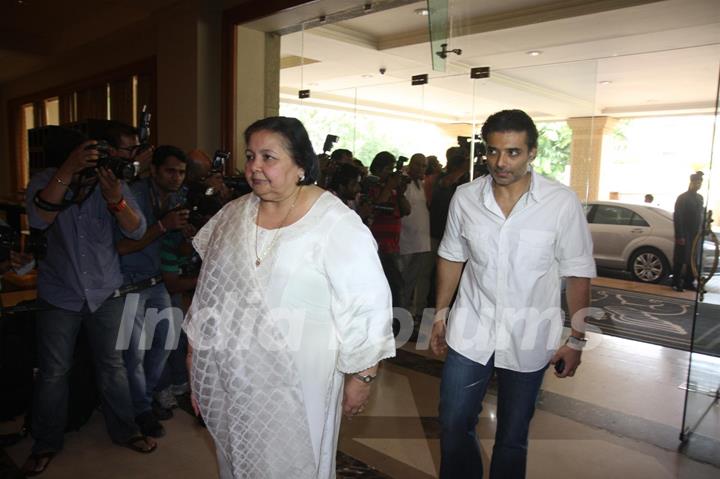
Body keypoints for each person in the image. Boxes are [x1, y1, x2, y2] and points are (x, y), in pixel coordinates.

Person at [183, 116, 396, 478]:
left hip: (303, 376)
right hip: (233, 372)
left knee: (294, 461)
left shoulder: (333, 221)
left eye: (269, 157)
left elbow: (368, 302)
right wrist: (195, 357)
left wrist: (362, 377)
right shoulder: (232, 216)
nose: (255, 168)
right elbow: (209, 293)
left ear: (300, 165)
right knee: (237, 457)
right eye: (250, 156)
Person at [430, 109, 596, 479]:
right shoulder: (465, 198)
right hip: (471, 330)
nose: (500, 162)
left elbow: (578, 273)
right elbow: (452, 257)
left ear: (533, 152)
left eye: (513, 152)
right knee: (454, 422)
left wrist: (577, 339)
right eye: (492, 152)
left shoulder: (560, 203)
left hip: (530, 335)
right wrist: (440, 314)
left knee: (512, 436)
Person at [22, 122, 156, 476]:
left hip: (104, 290)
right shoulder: (45, 180)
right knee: (53, 373)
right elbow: (39, 218)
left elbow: (136, 229)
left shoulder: (112, 182)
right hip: (59, 292)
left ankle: (126, 430)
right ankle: (46, 442)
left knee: (113, 367)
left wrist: (116, 200)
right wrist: (68, 170)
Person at [116, 145, 189, 437]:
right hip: (129, 278)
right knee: (134, 353)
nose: (177, 178)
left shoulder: (179, 196)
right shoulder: (132, 194)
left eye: (181, 172)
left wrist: (187, 236)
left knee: (167, 340)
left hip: (158, 278)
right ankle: (141, 410)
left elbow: (176, 249)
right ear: (154, 170)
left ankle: (144, 400)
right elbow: (124, 244)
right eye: (171, 171)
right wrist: (162, 225)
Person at [399, 153, 433, 321]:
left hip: (421, 242)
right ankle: (400, 318)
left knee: (412, 282)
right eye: (418, 165)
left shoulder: (422, 184)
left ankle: (407, 316)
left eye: (424, 166)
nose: (421, 169)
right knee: (402, 283)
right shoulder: (404, 183)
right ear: (411, 165)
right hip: (405, 242)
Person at [672, 171, 704, 292]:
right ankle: (676, 282)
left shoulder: (700, 198)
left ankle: (689, 282)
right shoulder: (683, 198)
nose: (698, 185)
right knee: (680, 258)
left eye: (700, 183)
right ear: (691, 183)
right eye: (697, 182)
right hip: (685, 232)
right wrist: (680, 235)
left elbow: (701, 215)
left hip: (696, 234)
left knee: (693, 259)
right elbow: (678, 217)